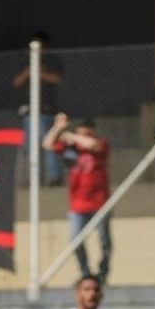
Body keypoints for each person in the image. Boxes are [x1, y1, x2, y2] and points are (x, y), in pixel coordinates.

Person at [43, 114, 112, 282]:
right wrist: (58, 127)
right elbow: (47, 144)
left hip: (99, 202)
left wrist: (72, 136)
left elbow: (93, 145)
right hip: (78, 204)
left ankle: (102, 272)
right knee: (75, 240)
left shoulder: (100, 143)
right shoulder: (71, 149)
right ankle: (86, 272)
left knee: (104, 240)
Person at [10, 32, 64, 186]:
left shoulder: (52, 61)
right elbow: (16, 82)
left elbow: (57, 79)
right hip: (27, 112)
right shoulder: (23, 63)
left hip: (44, 110)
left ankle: (54, 177)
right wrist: (28, 71)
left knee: (49, 144)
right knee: (28, 146)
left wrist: (39, 72)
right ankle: (32, 178)